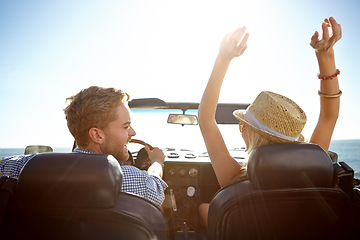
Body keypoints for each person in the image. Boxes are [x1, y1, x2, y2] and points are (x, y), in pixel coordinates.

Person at [197, 16, 342, 227]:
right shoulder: (313, 170)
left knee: (204, 208)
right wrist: (325, 57)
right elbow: (329, 117)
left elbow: (205, 119)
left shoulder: (234, 179)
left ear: (249, 133)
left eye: (243, 125)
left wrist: (223, 59)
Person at [0, 86, 167, 207]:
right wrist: (157, 162)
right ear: (97, 135)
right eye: (125, 126)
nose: (133, 132)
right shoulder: (129, 178)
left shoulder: (28, 167)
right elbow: (155, 185)